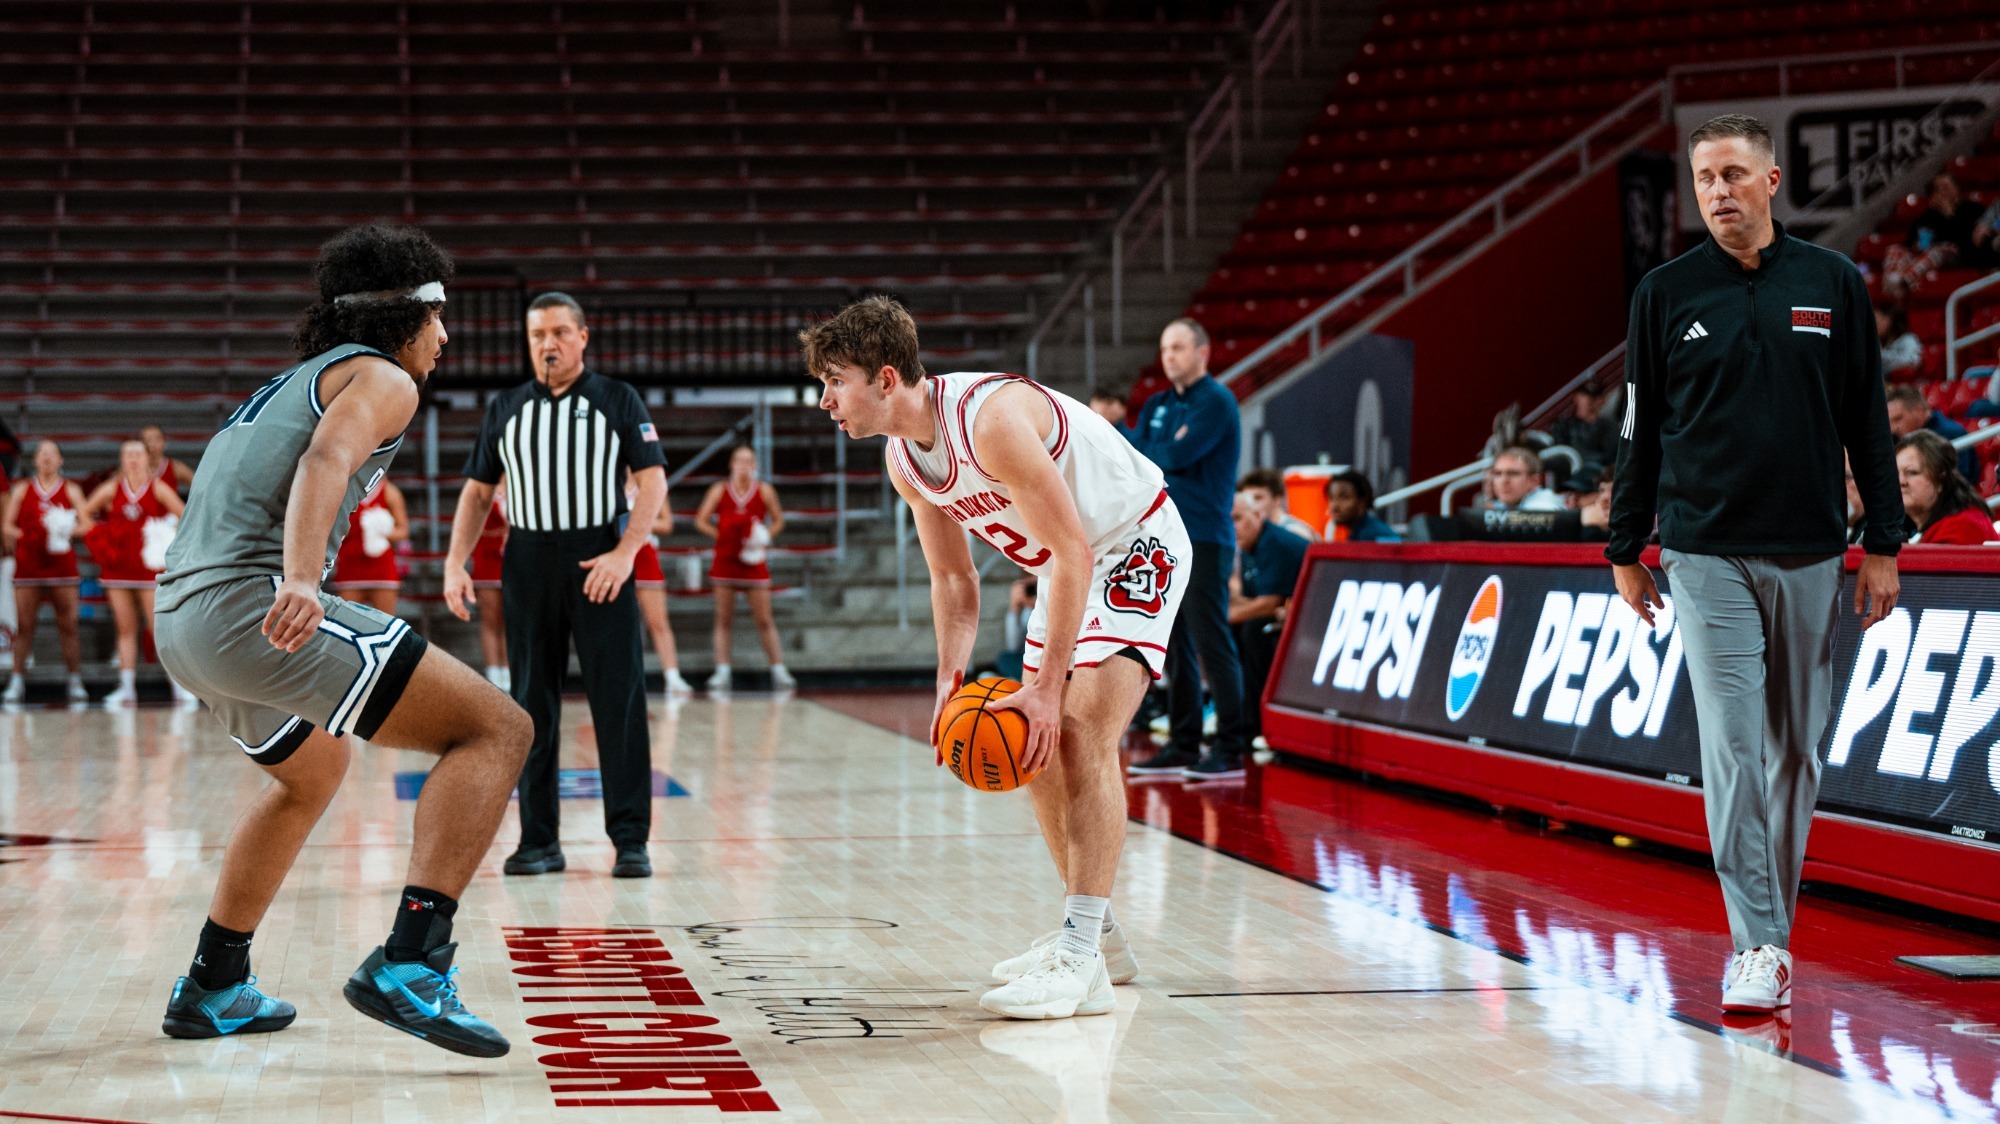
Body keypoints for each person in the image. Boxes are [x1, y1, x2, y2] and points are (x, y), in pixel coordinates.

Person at [150, 223, 530, 1056]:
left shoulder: (292, 381)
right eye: (440, 318)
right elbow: (327, 460)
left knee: (311, 772)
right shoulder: (385, 377)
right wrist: (296, 581)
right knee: (497, 728)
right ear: (407, 317)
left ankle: (214, 983)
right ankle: (412, 964)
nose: (447, 336)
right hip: (248, 606)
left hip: (178, 621)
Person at [803, 295, 1190, 1020]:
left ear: (886, 379)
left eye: (835, 379)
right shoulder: (904, 462)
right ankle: (1097, 941)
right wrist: (949, 683)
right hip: (1065, 570)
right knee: (1028, 740)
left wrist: (1048, 686)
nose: (825, 399)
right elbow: (955, 579)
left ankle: (1077, 955)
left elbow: (1075, 550)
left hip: (1130, 544)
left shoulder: (991, 422)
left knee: (1078, 733)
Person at [1609, 114, 1901, 1017]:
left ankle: (1770, 930)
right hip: (1702, 554)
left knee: (1794, 755)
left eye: (1734, 173)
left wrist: (1883, 541)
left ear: (1772, 182)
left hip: (1813, 551)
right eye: (1703, 179)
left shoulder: (1832, 283)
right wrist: (1626, 547)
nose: (1718, 191)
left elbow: (1869, 421)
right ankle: (1760, 946)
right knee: (1733, 750)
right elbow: (1636, 430)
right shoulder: (1663, 292)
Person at [442, 291, 666, 880]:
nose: (549, 343)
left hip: (599, 558)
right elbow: (476, 492)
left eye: (561, 332)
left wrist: (624, 552)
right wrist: (454, 562)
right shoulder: (507, 406)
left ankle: (631, 840)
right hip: (528, 560)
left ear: (583, 337)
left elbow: (653, 481)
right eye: (538, 333)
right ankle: (538, 841)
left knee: (617, 702)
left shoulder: (618, 399)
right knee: (528, 706)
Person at [1124, 318, 1250, 780]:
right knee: (1173, 645)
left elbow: (1174, 457)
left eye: (1178, 347)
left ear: (1203, 351)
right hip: (1163, 538)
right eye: (1164, 348)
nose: (1169, 356)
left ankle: (1232, 748)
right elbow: (1135, 455)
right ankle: (1183, 743)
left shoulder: (1217, 402)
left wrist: (1157, 450)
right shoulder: (1157, 404)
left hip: (1205, 536)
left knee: (1211, 640)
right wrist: (1158, 449)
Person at [81, 438, 189, 706]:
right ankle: (127, 689)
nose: (132, 458)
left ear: (146, 458)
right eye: (127, 453)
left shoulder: (158, 487)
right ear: (122, 458)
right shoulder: (111, 488)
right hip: (117, 570)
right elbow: (84, 513)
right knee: (125, 629)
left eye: (137, 454)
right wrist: (101, 538)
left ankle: (178, 687)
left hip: (148, 572)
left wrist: (165, 535)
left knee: (157, 630)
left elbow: (184, 515)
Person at [693, 445, 793, 691]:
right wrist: (720, 535)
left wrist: (765, 536)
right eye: (739, 460)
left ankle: (778, 669)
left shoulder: (764, 490)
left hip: (753, 560)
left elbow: (779, 520)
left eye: (748, 461)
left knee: (765, 619)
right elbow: (700, 520)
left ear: (755, 465)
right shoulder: (719, 490)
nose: (743, 465)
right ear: (731, 464)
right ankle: (722, 671)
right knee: (723, 619)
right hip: (725, 560)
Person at [1, 440, 91, 704]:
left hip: (62, 566)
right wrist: (28, 536)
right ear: (36, 460)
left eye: (52, 454)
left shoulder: (71, 490)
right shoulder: (22, 490)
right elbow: (6, 526)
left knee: (68, 625)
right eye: (42, 454)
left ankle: (75, 680)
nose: (47, 458)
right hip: (29, 566)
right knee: (25, 626)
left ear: (61, 460)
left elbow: (87, 524)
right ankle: (16, 682)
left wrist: (65, 531)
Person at [1228, 489, 1310, 742]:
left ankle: (1257, 723)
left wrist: (1223, 616)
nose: (1234, 527)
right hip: (1281, 614)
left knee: (1252, 629)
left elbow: (1269, 603)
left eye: (1238, 518)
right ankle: (1237, 717)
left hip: (1311, 619)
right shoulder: (1250, 545)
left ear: (1259, 515)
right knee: (1236, 628)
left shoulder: (1276, 543)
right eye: (1228, 520)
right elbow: (1249, 598)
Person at [628, 471, 693, 697]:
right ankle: (613, 678)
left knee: (659, 621)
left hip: (645, 556)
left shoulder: (651, 483)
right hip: (618, 555)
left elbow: (667, 524)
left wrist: (639, 519)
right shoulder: (608, 483)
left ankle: (672, 676)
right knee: (614, 625)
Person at [1882, 172, 1977, 298]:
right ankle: (1894, 280)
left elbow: (1969, 239)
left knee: (1935, 251)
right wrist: (1916, 245)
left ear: (1957, 188)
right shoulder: (1929, 215)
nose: (1942, 192)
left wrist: (1949, 213)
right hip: (1927, 253)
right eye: (1938, 189)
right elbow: (1914, 241)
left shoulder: (1971, 209)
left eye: (1946, 187)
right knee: (1894, 249)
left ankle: (1903, 282)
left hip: (1957, 254)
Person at [1897, 429, 1997, 544]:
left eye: (1911, 472)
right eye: (1895, 474)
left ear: (1940, 478)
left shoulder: (1961, 528)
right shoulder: (1945, 525)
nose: (1901, 481)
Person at [327, 476, 409, 615]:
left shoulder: (389, 491)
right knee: (348, 624)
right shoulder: (344, 491)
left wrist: (380, 530)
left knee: (385, 624)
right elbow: (330, 529)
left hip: (382, 568)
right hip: (350, 568)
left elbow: (403, 531)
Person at [1884, 381, 1978, 483]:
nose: (1893, 428)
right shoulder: (1896, 438)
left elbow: (1961, 480)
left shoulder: (1952, 433)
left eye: (1898, 419)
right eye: (1890, 422)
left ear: (1918, 410)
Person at [470, 488, 510, 689]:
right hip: (488, 558)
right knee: (490, 619)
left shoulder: (521, 482)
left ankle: (510, 673)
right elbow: (471, 523)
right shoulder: (484, 486)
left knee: (512, 621)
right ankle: (494, 675)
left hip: (514, 560)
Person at [1548, 384, 1622, 471]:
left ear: (1601, 400)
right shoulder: (1563, 426)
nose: (1588, 402)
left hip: (1601, 471)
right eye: (1584, 397)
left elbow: (1614, 452)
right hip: (1573, 474)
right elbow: (1561, 453)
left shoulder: (1607, 425)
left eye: (1593, 398)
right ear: (1576, 398)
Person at [1234, 467, 1317, 539]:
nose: (1251, 505)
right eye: (1247, 499)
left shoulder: (1296, 532)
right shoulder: (1256, 535)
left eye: (1258, 498)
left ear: (1277, 499)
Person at [1322, 469, 1401, 542]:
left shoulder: (1371, 535)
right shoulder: (1358, 533)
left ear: (1362, 502)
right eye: (1331, 498)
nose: (1334, 506)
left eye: (1344, 497)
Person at [1482, 445, 1566, 512]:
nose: (1503, 481)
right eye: (1498, 473)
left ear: (1534, 481)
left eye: (1513, 473)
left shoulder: (1543, 507)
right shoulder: (1504, 505)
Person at [140, 424, 197, 495]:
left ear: (164, 443)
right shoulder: (132, 468)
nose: (152, 443)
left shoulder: (175, 467)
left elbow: (200, 487)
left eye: (157, 439)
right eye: (147, 439)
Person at [1875, 304, 1923, 377]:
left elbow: (1909, 362)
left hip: (1905, 384)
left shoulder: (1908, 339)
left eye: (1878, 320)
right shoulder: (1882, 341)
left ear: (1890, 320)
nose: (1875, 325)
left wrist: (1879, 354)